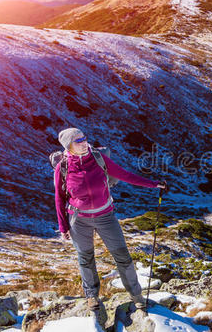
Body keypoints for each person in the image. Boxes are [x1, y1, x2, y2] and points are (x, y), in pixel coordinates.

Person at [54, 127, 166, 311]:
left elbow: (125, 175)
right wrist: (63, 226)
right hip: (78, 220)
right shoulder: (63, 167)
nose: (84, 143)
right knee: (85, 258)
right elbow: (59, 197)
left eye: (84, 138)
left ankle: (136, 295)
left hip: (106, 216)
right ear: (69, 146)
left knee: (122, 256)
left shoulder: (98, 159)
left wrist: (154, 184)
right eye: (78, 141)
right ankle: (91, 296)